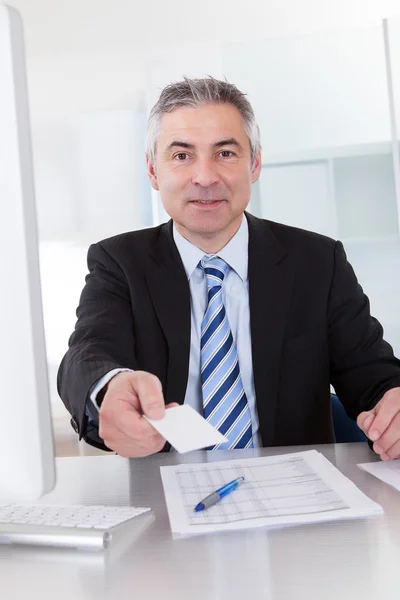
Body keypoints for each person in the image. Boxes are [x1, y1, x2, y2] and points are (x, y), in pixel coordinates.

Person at [58, 76, 400, 460]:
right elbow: (87, 354)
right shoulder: (119, 262)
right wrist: (110, 388)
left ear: (254, 163)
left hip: (297, 497)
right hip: (167, 499)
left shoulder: (318, 262)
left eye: (225, 153)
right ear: (153, 171)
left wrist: (394, 405)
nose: (205, 178)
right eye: (182, 156)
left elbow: (376, 378)